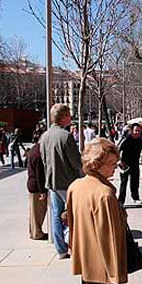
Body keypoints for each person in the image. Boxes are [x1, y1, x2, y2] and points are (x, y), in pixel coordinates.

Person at [66, 138, 128, 284]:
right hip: (103, 255)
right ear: (97, 163)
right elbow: (111, 233)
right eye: (111, 164)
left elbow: (71, 222)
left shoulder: (76, 186)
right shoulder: (104, 193)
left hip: (85, 251)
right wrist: (116, 269)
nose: (114, 168)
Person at [40, 104, 83, 259]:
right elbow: (76, 162)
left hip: (52, 182)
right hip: (68, 182)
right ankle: (76, 246)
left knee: (57, 215)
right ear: (64, 116)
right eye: (69, 115)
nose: (70, 117)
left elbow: (44, 160)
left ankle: (61, 249)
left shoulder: (44, 136)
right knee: (76, 215)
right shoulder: (66, 136)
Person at [27, 131, 48, 240]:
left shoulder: (33, 150)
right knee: (38, 212)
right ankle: (37, 233)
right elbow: (40, 174)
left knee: (33, 212)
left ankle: (33, 232)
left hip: (32, 184)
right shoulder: (39, 153)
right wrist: (42, 191)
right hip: (37, 186)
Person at [118, 123, 142, 204]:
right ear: (132, 131)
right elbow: (117, 149)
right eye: (136, 130)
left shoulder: (140, 140)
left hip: (135, 163)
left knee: (135, 181)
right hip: (125, 164)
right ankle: (121, 201)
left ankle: (135, 197)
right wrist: (119, 161)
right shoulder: (126, 139)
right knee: (123, 182)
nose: (137, 132)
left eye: (139, 131)